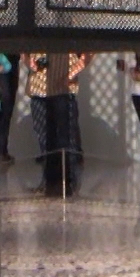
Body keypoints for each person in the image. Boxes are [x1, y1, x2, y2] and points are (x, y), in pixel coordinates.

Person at [26, 52, 92, 194]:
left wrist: (71, 75)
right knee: (43, 139)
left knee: (67, 139)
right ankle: (47, 181)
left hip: (62, 89)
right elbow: (23, 51)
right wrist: (29, 62)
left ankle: (71, 182)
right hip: (38, 88)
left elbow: (89, 53)